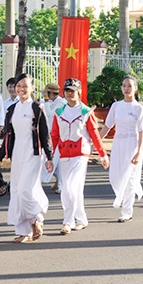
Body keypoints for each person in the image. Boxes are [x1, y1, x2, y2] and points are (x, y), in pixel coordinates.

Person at [0, 73, 53, 243]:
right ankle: (24, 231)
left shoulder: (37, 108)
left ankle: (36, 218)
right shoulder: (11, 110)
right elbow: (8, 136)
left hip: (34, 154)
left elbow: (44, 134)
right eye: (18, 86)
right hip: (17, 154)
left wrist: (49, 156)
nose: (21, 89)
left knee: (24, 190)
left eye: (25, 86)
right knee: (15, 192)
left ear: (32, 88)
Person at [50, 78, 109, 233]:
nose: (70, 94)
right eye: (67, 91)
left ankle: (67, 222)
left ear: (79, 92)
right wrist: (49, 156)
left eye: (73, 91)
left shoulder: (86, 112)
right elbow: (54, 135)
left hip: (80, 154)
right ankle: (81, 219)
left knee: (70, 187)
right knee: (71, 189)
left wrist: (103, 155)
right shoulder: (59, 112)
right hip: (64, 155)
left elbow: (95, 135)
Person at [100, 75, 143, 223]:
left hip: (132, 144)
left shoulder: (138, 108)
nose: (126, 88)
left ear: (135, 88)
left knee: (130, 178)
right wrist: (96, 142)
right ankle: (127, 194)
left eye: (129, 86)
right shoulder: (116, 106)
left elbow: (141, 132)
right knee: (116, 177)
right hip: (118, 144)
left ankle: (127, 211)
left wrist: (139, 152)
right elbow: (107, 126)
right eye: (124, 85)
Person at [41, 82, 66, 192]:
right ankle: (57, 180)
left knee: (58, 161)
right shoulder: (49, 101)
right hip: (48, 134)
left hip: (58, 135)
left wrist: (45, 100)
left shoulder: (61, 102)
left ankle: (61, 185)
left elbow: (50, 114)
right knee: (47, 159)